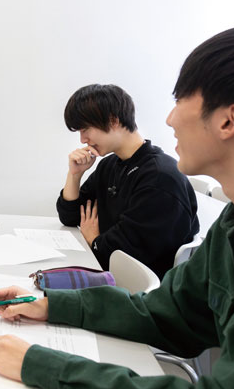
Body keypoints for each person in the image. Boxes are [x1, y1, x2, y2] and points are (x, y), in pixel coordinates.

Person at [0, 25, 234, 389]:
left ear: (228, 120)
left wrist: (43, 366)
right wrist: (49, 304)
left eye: (181, 99)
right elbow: (167, 313)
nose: (169, 118)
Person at [57, 83, 198, 279]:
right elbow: (70, 217)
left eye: (85, 129)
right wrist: (75, 175)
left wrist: (94, 240)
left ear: (113, 121)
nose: (83, 139)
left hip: (139, 291)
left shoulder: (160, 178)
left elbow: (123, 252)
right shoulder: (110, 165)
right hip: (108, 273)